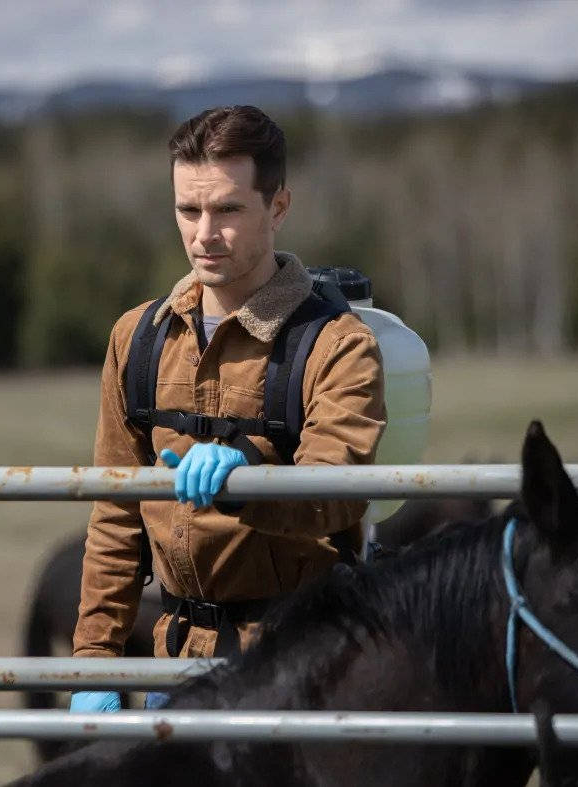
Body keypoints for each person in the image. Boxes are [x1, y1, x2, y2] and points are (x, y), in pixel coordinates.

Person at [69, 105, 386, 712]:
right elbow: (115, 514)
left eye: (228, 210)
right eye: (188, 210)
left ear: (279, 207)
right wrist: (94, 664)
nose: (203, 234)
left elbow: (337, 492)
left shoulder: (337, 344)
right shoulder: (138, 338)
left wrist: (244, 479)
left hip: (305, 668)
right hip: (177, 669)